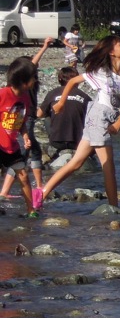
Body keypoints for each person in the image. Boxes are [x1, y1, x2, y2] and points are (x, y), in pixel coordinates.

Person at [33, 35, 120, 211]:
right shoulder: (101, 72)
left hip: (107, 117)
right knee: (108, 166)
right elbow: (72, 81)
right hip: (98, 117)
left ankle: (41, 194)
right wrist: (61, 102)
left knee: (76, 162)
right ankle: (114, 209)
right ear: (112, 51)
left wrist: (118, 123)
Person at [0, 37, 55, 199]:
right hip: (24, 118)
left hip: (25, 119)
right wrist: (44, 47)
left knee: (31, 152)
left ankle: (37, 188)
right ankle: (8, 190)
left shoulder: (27, 87)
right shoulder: (18, 87)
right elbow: (34, 64)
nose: (36, 77)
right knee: (25, 153)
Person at [0, 57, 41, 217]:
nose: (35, 80)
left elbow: (21, 121)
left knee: (23, 176)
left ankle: (31, 210)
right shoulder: (3, 94)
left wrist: (25, 136)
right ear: (23, 81)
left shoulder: (24, 98)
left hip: (12, 146)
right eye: (33, 77)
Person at [38, 66, 91, 164]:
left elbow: (39, 114)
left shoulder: (52, 93)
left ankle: (54, 145)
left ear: (59, 79)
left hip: (57, 142)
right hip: (78, 143)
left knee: (46, 118)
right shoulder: (85, 96)